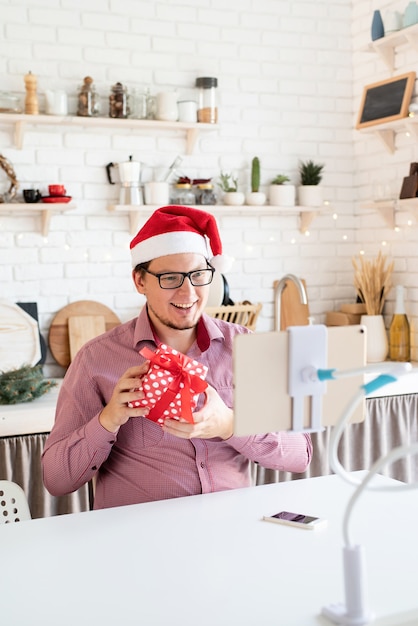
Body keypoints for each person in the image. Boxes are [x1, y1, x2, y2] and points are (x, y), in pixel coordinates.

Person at [42, 205, 312, 509]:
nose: (188, 294)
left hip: (231, 530)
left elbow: (300, 454)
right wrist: (108, 420)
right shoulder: (96, 360)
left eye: (198, 275)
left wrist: (230, 425)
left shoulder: (244, 347)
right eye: (170, 278)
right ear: (139, 281)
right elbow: (56, 480)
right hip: (139, 539)